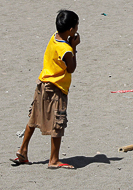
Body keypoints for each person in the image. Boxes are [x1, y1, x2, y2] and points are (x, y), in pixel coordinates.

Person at [11, 10, 81, 169]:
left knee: (34, 116)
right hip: (56, 87)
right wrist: (74, 47)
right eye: (76, 26)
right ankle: (54, 160)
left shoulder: (55, 36)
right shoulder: (66, 50)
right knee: (58, 121)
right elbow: (71, 69)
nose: (77, 29)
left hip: (42, 83)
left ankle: (23, 150)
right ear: (70, 30)